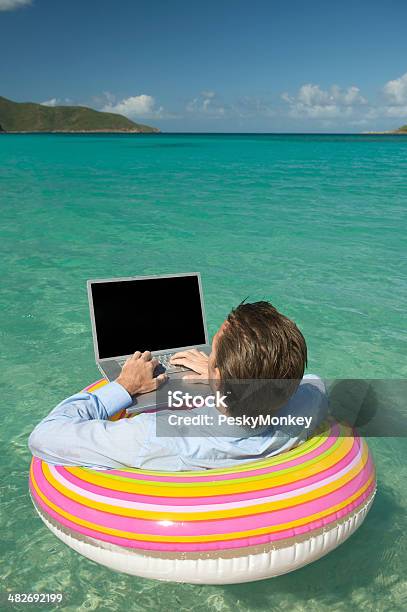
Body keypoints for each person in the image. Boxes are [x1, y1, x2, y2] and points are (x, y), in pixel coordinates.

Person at [28, 301, 327, 470]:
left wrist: (124, 386)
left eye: (214, 351)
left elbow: (43, 436)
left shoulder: (153, 438)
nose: (208, 352)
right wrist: (223, 377)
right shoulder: (310, 403)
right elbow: (312, 382)